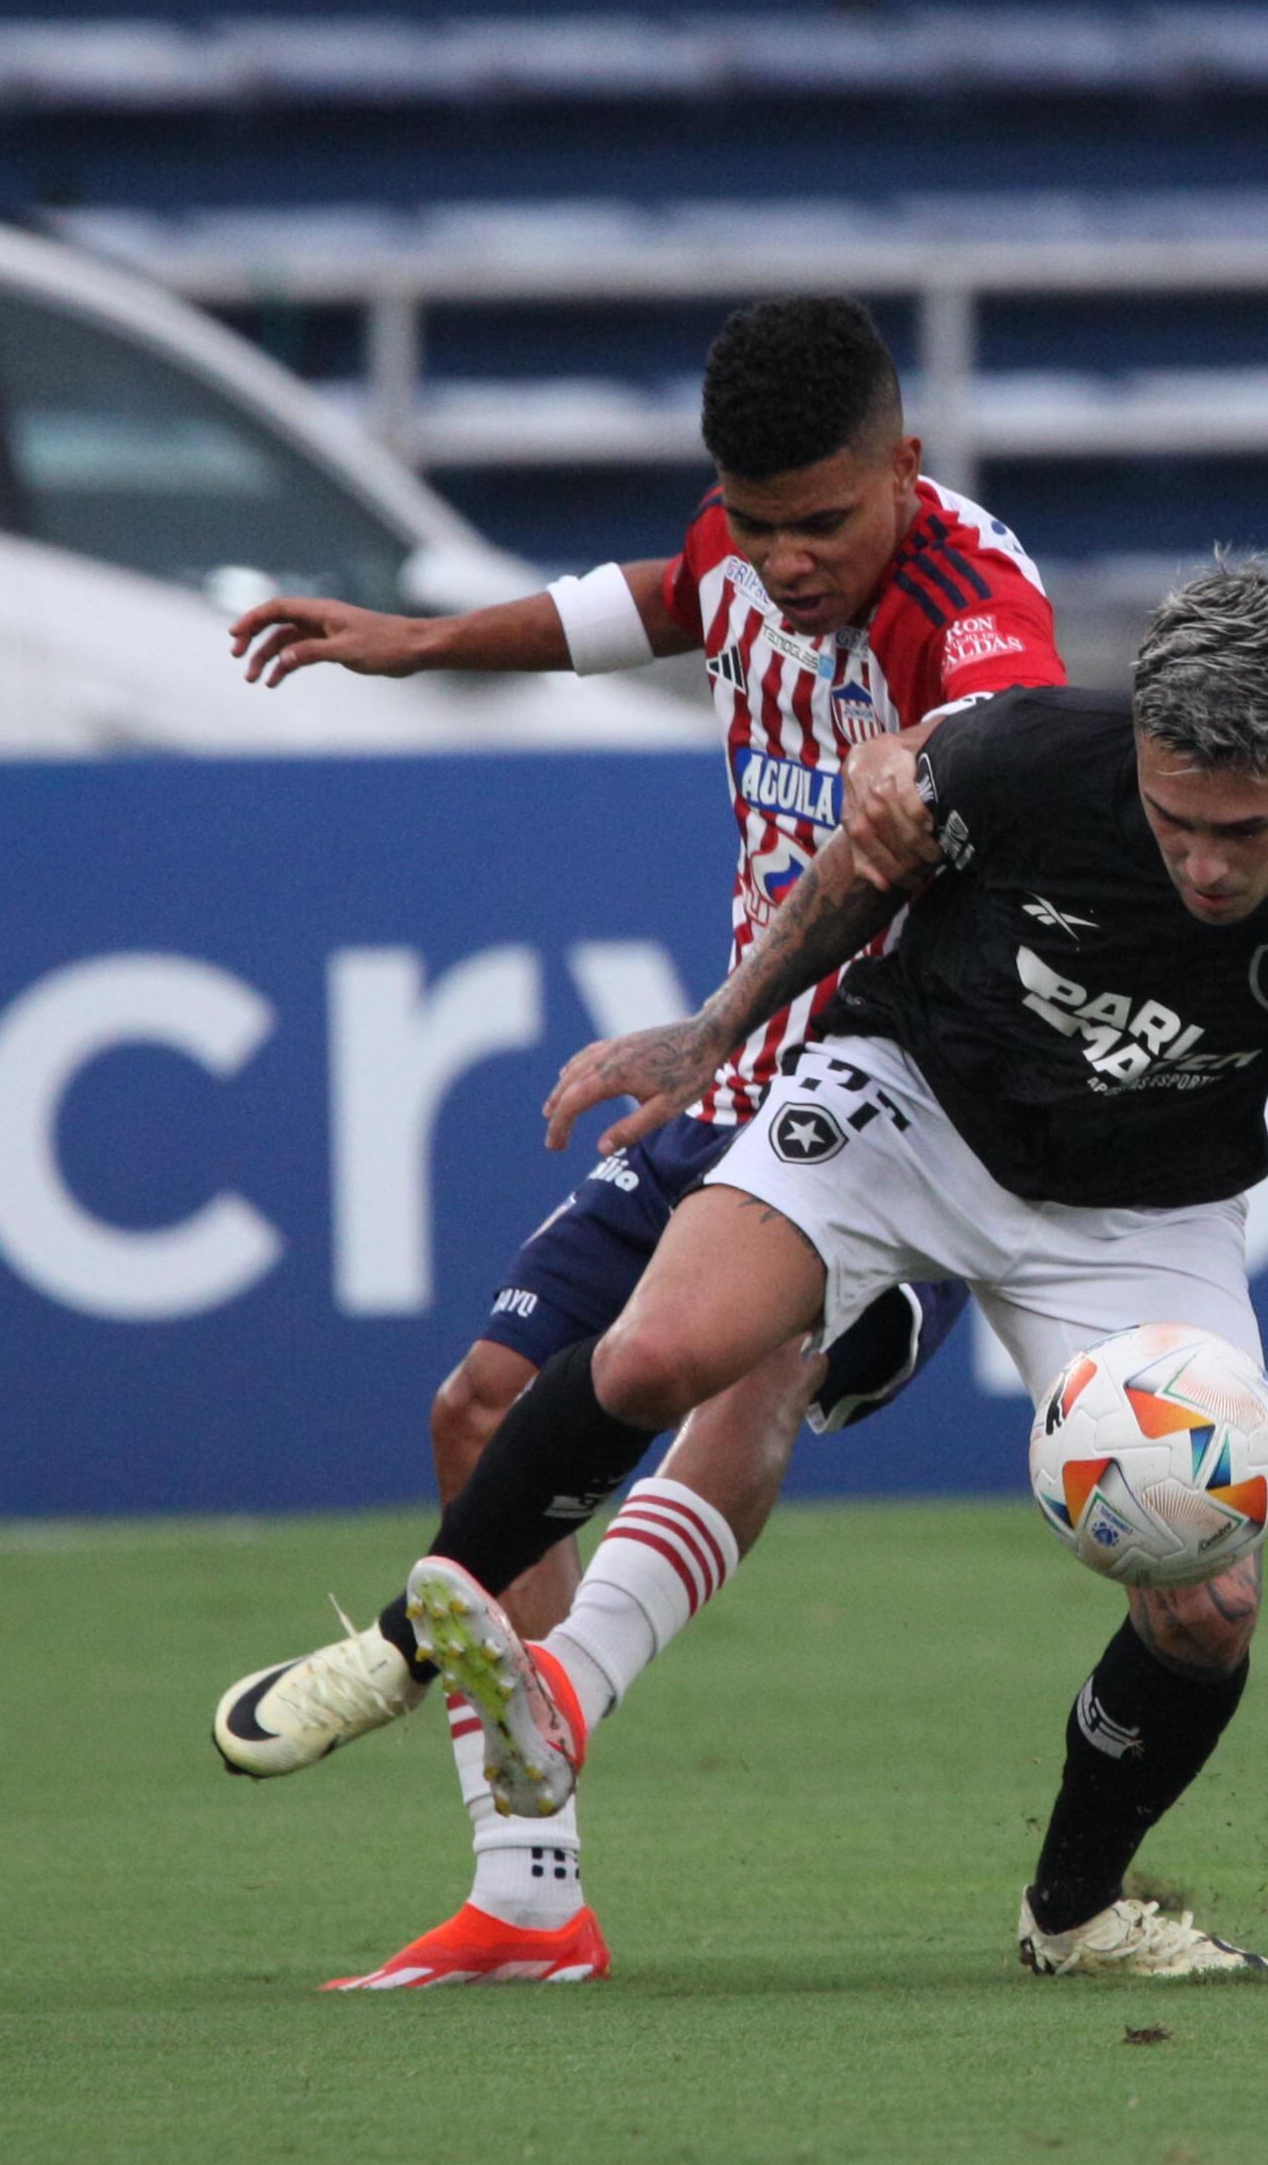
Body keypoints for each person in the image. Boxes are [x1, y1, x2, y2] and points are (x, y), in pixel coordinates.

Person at [214, 562, 1268, 1983]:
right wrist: (713, 1034)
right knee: (653, 1356)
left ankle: (1076, 1913)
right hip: (907, 1108)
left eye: (1241, 832)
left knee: (1209, 1610)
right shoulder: (1026, 759)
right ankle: (405, 1645)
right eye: (1175, 819)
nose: (1202, 864)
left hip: (1143, 1211)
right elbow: (854, 872)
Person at [219, 294, 1065, 1989]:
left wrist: (917, 769)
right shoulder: (744, 549)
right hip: (747, 1061)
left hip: (908, 1099)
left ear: (906, 464)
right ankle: (531, 1897)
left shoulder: (973, 607)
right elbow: (663, 600)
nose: (790, 559)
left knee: (720, 1378)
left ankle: (571, 1673)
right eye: (761, 523)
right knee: (480, 1408)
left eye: (826, 522)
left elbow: (998, 736)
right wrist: (419, 640)